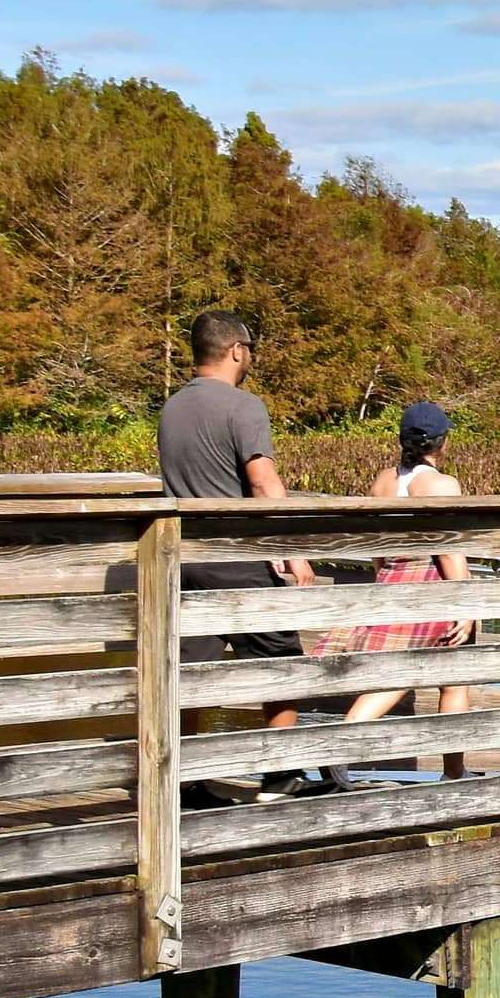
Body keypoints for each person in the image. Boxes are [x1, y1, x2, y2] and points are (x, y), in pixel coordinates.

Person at [158, 311, 332, 795]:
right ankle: (280, 776)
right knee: (282, 661)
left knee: (191, 672)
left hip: (185, 560)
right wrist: (292, 550)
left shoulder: (171, 408)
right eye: (250, 349)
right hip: (238, 557)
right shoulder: (244, 405)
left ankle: (183, 782)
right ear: (236, 350)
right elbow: (262, 481)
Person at [320, 403, 474, 774]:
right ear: (441, 443)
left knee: (422, 674)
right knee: (446, 680)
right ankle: (339, 746)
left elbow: (377, 550)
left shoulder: (382, 482)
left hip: (390, 580)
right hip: (433, 587)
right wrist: (467, 606)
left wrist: (384, 580)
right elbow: (449, 552)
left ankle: (454, 771)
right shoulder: (442, 485)